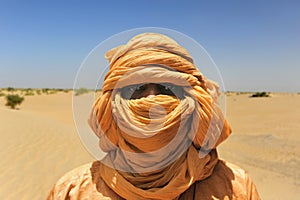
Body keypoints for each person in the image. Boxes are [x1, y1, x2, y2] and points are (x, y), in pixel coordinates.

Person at [47, 33, 260, 199]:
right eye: (136, 88)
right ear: (110, 107)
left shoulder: (235, 187)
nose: (152, 99)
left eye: (167, 87)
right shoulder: (72, 191)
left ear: (194, 101)